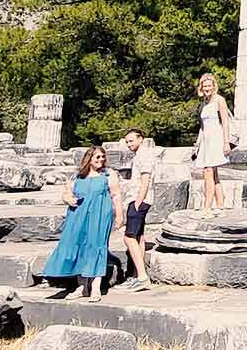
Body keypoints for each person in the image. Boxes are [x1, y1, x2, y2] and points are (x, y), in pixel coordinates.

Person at [40, 145, 123, 301]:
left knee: (97, 247)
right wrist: (68, 199)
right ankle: (82, 286)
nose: (101, 160)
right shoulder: (79, 176)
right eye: (97, 157)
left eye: (103, 157)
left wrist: (119, 215)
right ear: (89, 159)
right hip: (78, 216)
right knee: (78, 247)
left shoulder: (108, 174)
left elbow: (116, 195)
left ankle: (96, 288)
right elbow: (66, 193)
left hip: (100, 215)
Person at [116, 127, 158, 292]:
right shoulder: (139, 155)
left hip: (139, 200)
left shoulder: (145, 155)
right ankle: (136, 274)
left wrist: (138, 202)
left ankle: (141, 276)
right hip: (138, 199)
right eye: (127, 141)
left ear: (141, 139)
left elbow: (145, 180)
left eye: (131, 140)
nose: (129, 144)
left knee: (129, 237)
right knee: (139, 237)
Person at [193, 73, 233, 218]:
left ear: (214, 86)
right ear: (201, 87)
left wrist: (226, 142)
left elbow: (225, 121)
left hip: (217, 139)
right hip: (206, 140)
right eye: (205, 86)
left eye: (209, 85)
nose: (207, 88)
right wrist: (197, 143)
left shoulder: (219, 100)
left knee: (208, 172)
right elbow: (202, 126)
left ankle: (207, 207)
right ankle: (221, 206)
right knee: (214, 174)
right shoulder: (204, 102)